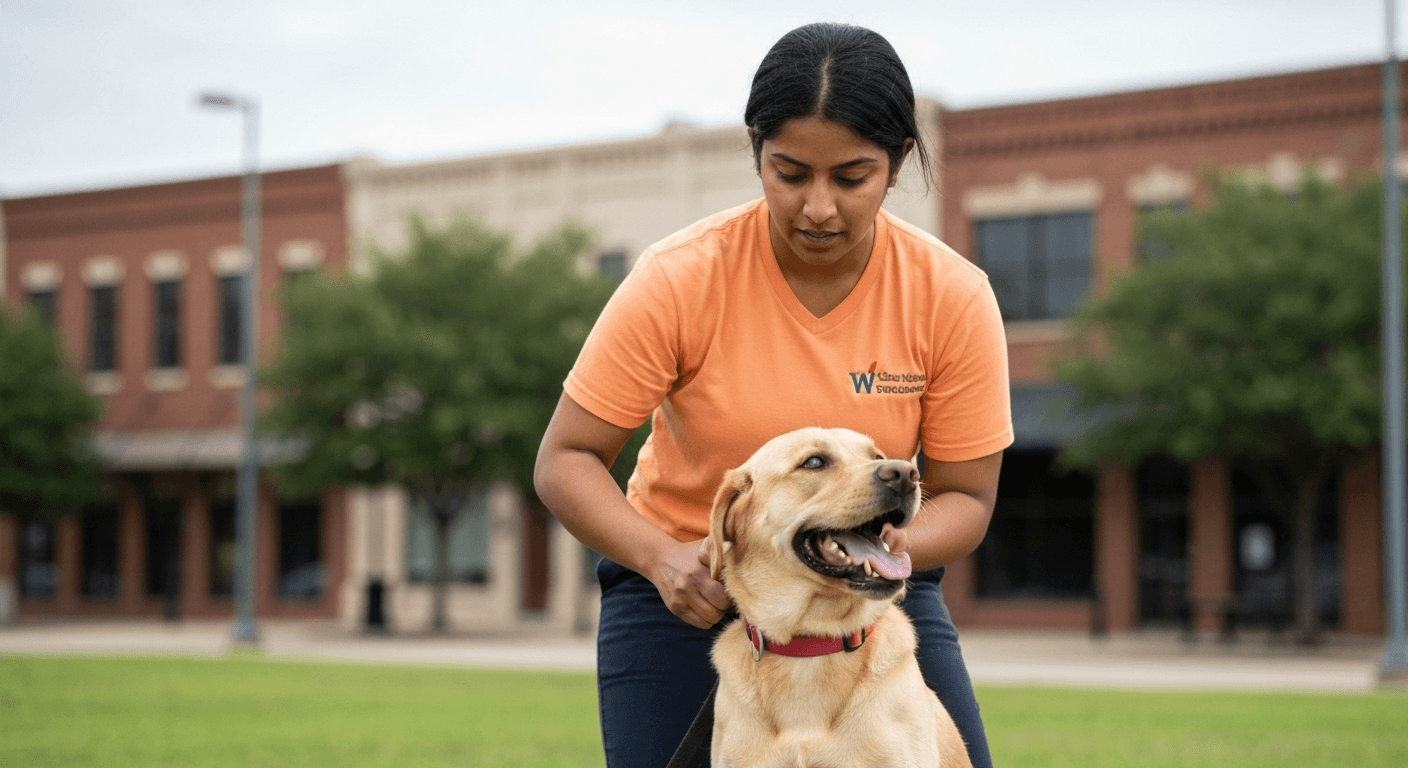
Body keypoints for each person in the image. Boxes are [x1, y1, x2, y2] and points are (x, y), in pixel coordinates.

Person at [534, 22, 1012, 768]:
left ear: (896, 164)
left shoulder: (952, 296)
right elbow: (565, 459)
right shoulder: (678, 278)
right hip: (689, 590)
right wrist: (661, 559)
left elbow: (968, 498)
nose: (818, 207)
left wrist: (876, 556)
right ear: (755, 149)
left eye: (851, 178)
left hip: (871, 583)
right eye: (790, 173)